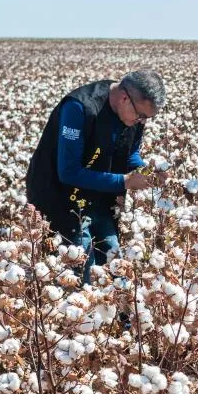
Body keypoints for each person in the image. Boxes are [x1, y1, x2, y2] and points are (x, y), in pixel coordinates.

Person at [26, 70, 166, 284]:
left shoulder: (133, 116)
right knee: (80, 273)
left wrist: (146, 171)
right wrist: (125, 181)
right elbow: (68, 172)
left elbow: (130, 153)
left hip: (99, 196)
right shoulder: (79, 107)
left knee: (114, 264)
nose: (142, 122)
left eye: (147, 118)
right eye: (141, 116)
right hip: (58, 199)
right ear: (124, 98)